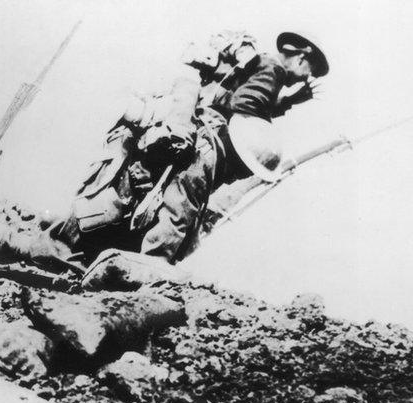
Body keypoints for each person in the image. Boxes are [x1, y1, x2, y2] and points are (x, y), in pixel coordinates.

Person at [140, 31, 328, 261]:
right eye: (308, 73)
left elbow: (247, 98)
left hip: (206, 128)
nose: (303, 80)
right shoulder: (274, 69)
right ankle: (154, 260)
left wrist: (287, 101)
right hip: (213, 137)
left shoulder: (264, 63)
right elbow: (244, 104)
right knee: (184, 205)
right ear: (301, 58)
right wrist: (268, 121)